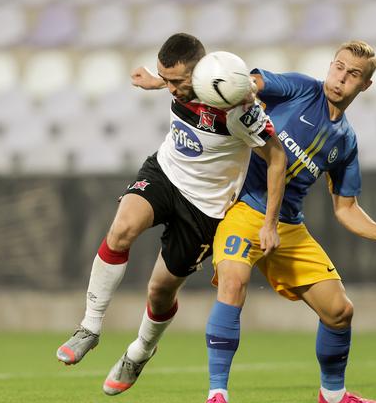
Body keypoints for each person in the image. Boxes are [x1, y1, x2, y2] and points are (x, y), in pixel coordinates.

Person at [119, 41, 376, 403]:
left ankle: (333, 396)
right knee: (234, 283)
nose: (341, 77)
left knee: (340, 311)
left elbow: (346, 208)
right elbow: (233, 85)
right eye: (338, 67)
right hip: (243, 210)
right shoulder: (299, 88)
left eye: (353, 74)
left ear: (365, 85)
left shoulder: (346, 142)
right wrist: (165, 84)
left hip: (288, 226)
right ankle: (216, 395)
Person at [55, 33, 287, 369]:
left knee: (160, 291)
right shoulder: (176, 82)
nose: (172, 89)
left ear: (200, 73)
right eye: (167, 81)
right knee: (122, 228)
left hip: (205, 208)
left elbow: (277, 158)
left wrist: (269, 223)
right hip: (166, 172)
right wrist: (154, 81)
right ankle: (89, 327)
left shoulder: (236, 108)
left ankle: (141, 350)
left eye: (176, 82)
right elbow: (170, 78)